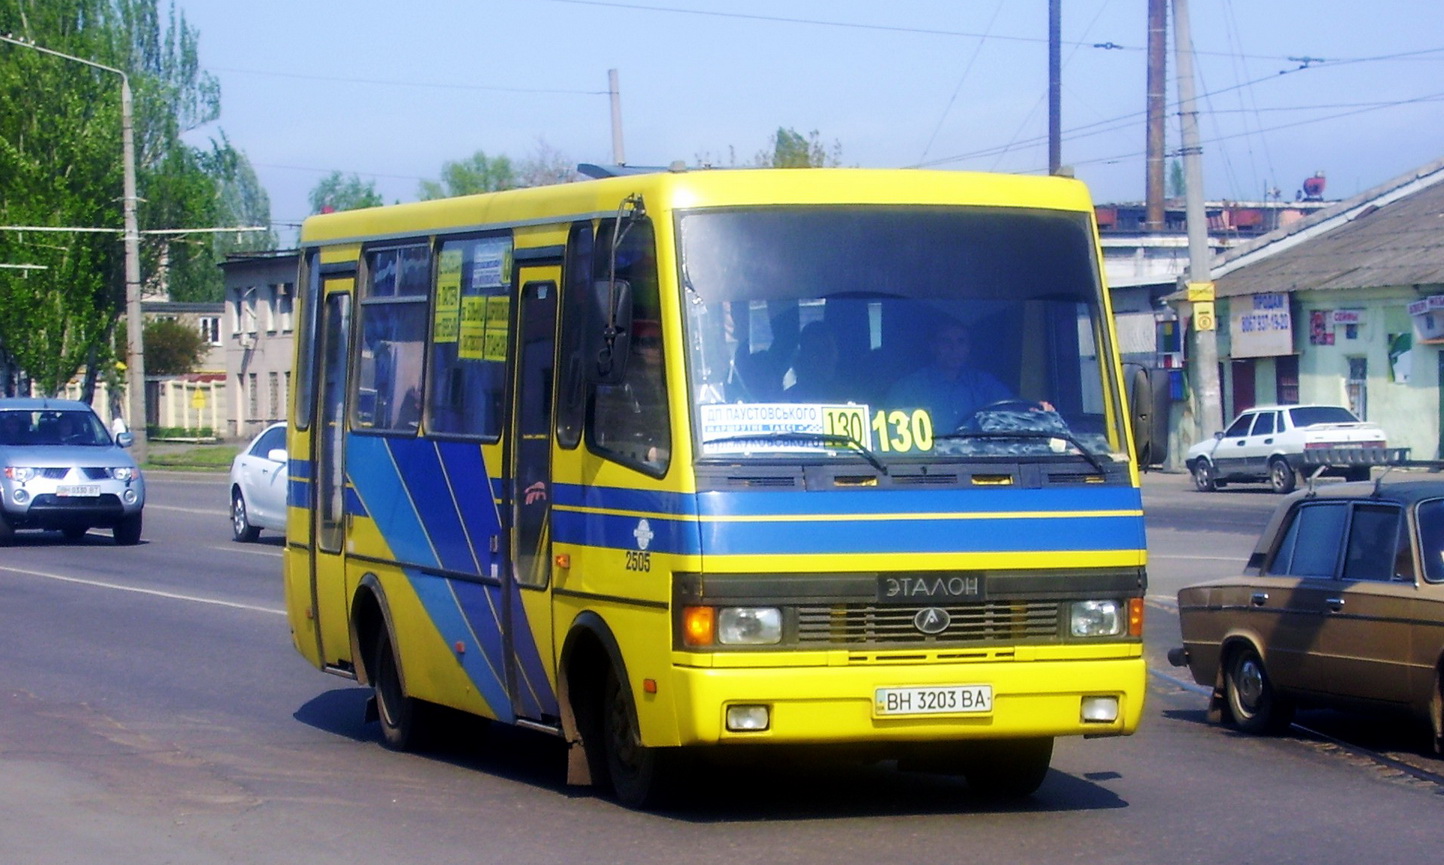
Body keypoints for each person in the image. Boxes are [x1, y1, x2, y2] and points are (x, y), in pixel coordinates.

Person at [887, 320, 1012, 432]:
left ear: (969, 347)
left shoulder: (985, 384)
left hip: (978, 456)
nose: (954, 348)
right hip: (928, 458)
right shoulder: (908, 388)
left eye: (961, 342)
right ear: (933, 346)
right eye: (946, 341)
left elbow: (1013, 417)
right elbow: (894, 434)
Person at [785, 320, 842, 402]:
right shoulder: (787, 401)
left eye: (828, 348)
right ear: (803, 356)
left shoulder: (852, 397)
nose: (823, 357)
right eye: (815, 350)